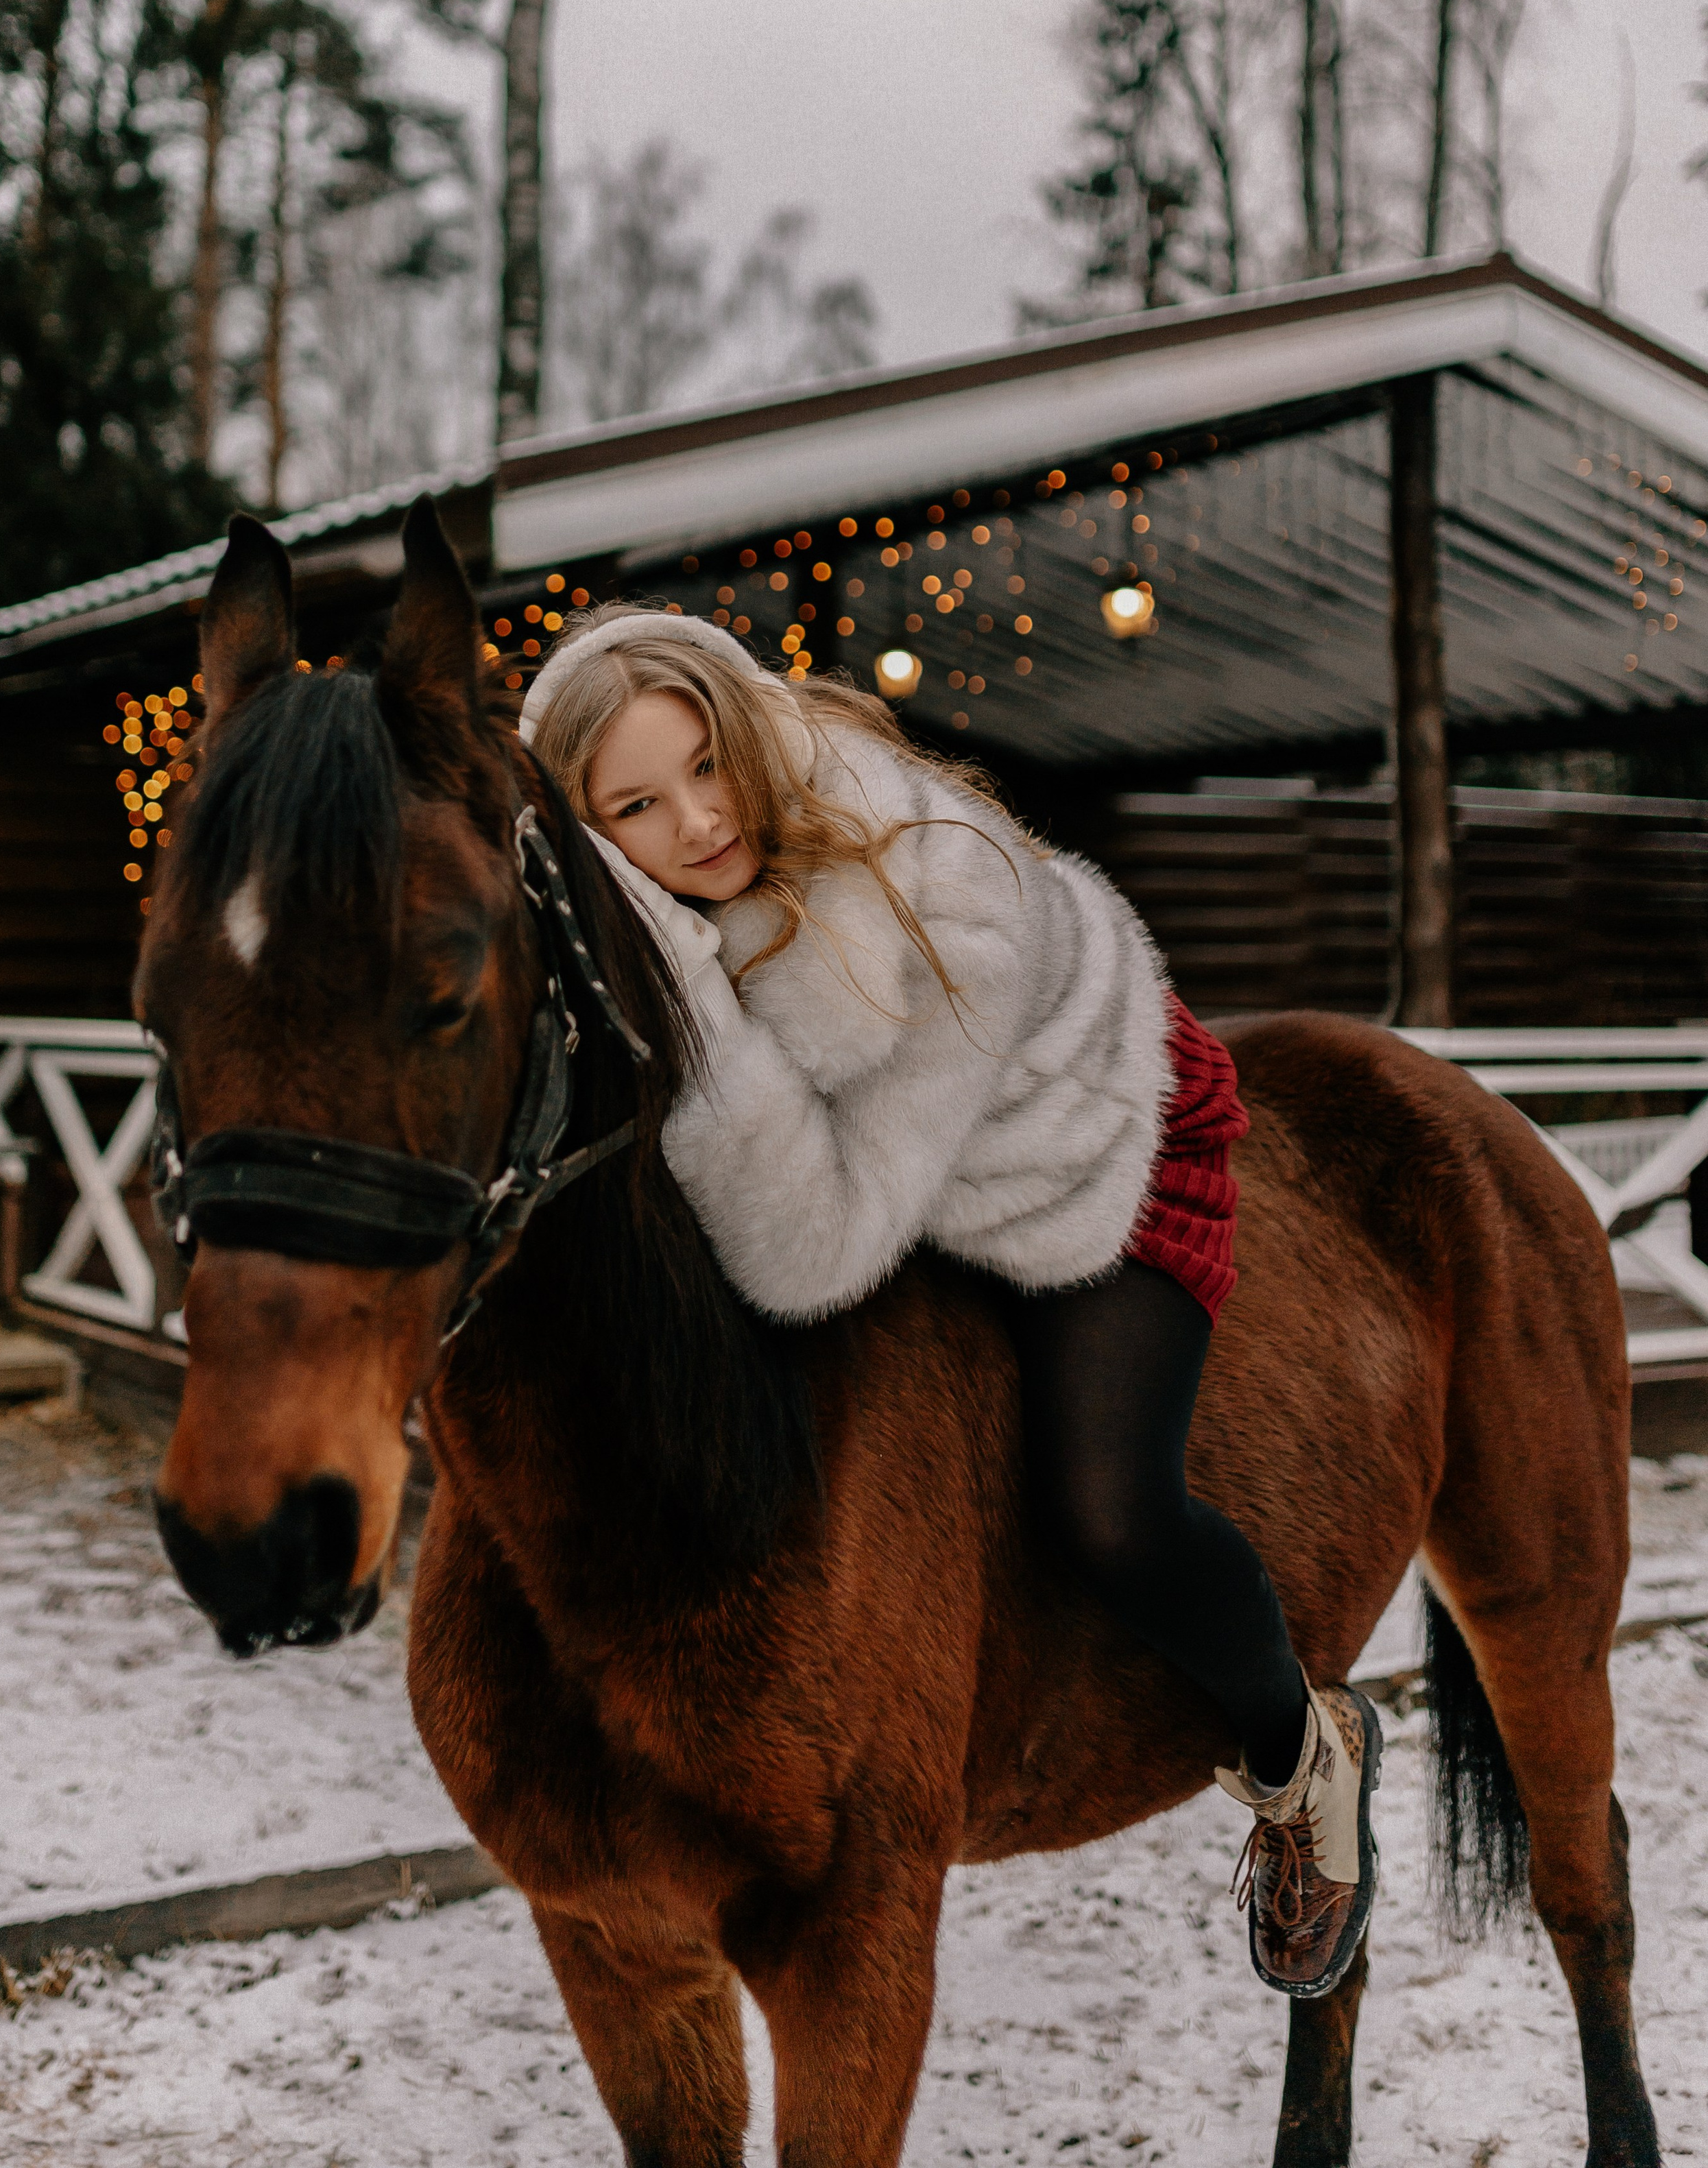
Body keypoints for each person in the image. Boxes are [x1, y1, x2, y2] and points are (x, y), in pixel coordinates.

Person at [519, 605, 1379, 1999]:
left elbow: (813, 1242)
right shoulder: (628, 909)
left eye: (704, 768)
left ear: (747, 740)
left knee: (1110, 1503)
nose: (691, 821)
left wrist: (685, 991)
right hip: (903, 1167)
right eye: (632, 803)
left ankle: (1300, 1755)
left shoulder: (918, 904)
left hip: (1095, 1154)